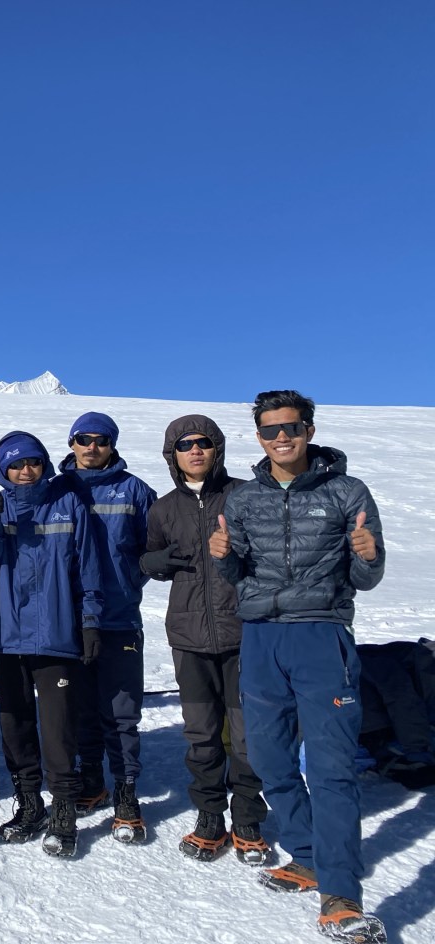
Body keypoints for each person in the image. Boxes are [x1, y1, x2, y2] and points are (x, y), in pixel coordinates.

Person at [211, 390, 386, 943]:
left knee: (331, 766)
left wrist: (367, 554)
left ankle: (341, 891)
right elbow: (236, 577)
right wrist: (224, 558)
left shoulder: (346, 491)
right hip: (261, 639)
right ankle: (309, 855)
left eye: (290, 427)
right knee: (269, 759)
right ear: (258, 436)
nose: (280, 437)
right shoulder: (242, 500)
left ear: (308, 429)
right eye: (269, 430)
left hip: (321, 636)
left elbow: (366, 580)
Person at [141, 415, 269, 865]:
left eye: (202, 443)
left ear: (217, 449)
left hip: (243, 633)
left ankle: (249, 816)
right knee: (201, 734)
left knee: (247, 733)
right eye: (184, 445)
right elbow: (146, 555)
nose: (194, 451)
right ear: (172, 455)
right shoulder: (163, 508)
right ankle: (210, 813)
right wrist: (154, 561)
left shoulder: (244, 495)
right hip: (189, 635)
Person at [0, 431, 103, 858]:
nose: (25, 471)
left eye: (32, 462)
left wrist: (89, 623)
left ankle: (64, 807)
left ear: (45, 464)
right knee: (14, 723)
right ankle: (29, 802)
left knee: (58, 727)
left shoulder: (67, 503)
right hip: (7, 634)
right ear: (2, 470)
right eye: (15, 464)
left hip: (56, 634)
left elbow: (87, 568)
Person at [57, 412, 155, 844]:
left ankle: (126, 792)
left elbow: (153, 548)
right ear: (72, 442)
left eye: (101, 440)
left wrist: (128, 581)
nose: (92, 447)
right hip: (67, 619)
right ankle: (91, 779)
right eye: (83, 439)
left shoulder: (135, 491)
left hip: (117, 619)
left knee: (120, 710)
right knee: (77, 708)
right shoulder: (56, 489)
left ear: (112, 444)